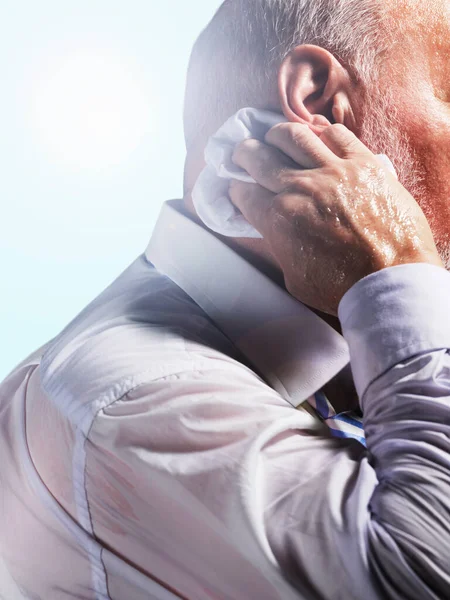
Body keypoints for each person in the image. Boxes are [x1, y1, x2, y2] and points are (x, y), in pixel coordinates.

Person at [1, 0, 450, 598]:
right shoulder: (130, 400)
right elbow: (422, 579)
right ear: (317, 104)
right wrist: (396, 275)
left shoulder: (350, 350)